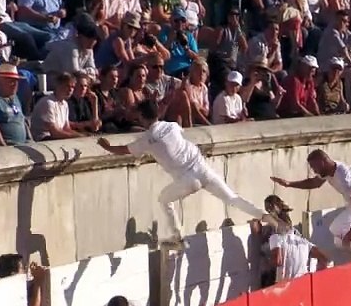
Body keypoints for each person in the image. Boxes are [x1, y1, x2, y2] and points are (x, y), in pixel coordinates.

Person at [96, 100, 276, 246]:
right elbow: (177, 131)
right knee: (232, 198)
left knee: (164, 200)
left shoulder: (147, 140)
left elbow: (123, 150)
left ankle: (177, 235)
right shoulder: (171, 125)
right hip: (202, 167)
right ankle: (265, 216)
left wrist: (107, 147)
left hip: (187, 178)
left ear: (142, 117)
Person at [271, 149, 351, 252]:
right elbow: (314, 183)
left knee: (340, 230)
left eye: (314, 167)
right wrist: (289, 184)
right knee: (337, 237)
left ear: (322, 162)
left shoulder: (344, 178)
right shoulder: (329, 171)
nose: (314, 171)